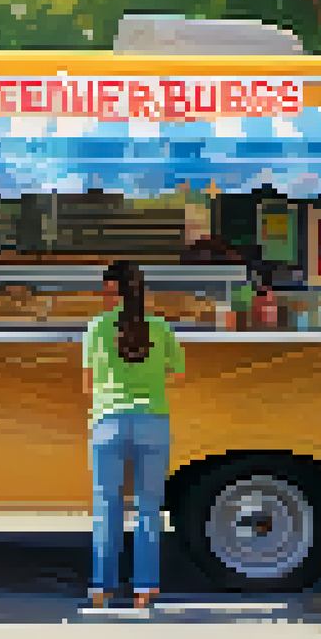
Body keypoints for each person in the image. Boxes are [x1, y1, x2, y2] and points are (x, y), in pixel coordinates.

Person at [83, 261, 185, 610]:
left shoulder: (96, 328)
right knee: (148, 509)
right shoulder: (161, 327)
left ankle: (102, 588)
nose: (103, 297)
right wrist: (150, 384)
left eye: (106, 291)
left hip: (108, 422)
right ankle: (145, 588)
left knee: (106, 507)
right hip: (153, 422)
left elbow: (87, 385)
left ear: (114, 293)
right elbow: (178, 374)